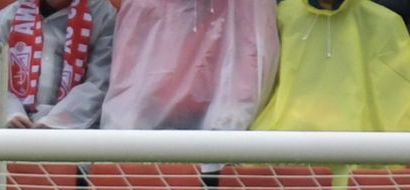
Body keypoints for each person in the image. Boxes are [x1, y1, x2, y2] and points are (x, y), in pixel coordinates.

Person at [100, 0, 277, 133]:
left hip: (217, 124)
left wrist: (228, 123)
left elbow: (250, 61)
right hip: (151, 116)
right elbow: (130, 78)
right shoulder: (145, 5)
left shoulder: (245, 6)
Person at [252, 0, 410, 137]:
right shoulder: (282, 15)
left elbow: (399, 94)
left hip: (355, 144)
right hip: (284, 140)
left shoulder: (384, 22)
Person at [0, 0, 116, 131]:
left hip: (76, 132)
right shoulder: (8, 17)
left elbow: (100, 84)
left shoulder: (102, 15)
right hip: (14, 132)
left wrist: (56, 122)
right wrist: (9, 114)